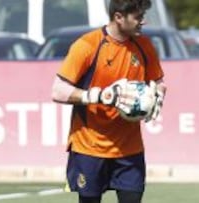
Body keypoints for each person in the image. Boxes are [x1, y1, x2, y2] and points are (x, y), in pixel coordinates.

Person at [51, 0, 167, 202]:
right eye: (138, 17)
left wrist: (157, 97)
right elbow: (58, 90)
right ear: (119, 17)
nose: (143, 22)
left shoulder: (144, 45)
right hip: (89, 147)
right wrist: (98, 96)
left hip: (129, 149)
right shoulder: (87, 45)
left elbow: (158, 82)